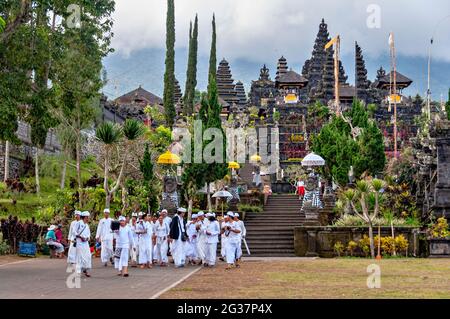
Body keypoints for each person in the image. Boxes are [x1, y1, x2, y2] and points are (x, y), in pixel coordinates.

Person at [75, 211, 92, 277]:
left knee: (88, 256)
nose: (88, 218)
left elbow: (88, 234)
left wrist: (87, 238)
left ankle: (86, 269)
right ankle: (78, 271)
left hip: (86, 243)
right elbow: (74, 232)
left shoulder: (87, 225)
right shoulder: (78, 223)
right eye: (87, 217)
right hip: (79, 242)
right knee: (80, 257)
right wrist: (80, 237)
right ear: (85, 217)